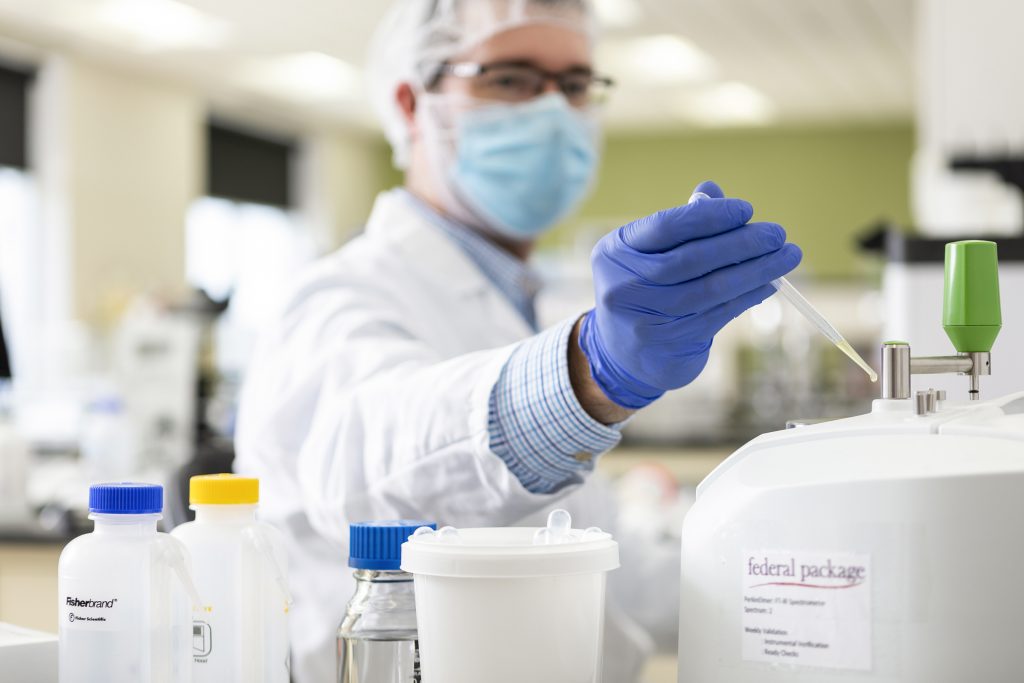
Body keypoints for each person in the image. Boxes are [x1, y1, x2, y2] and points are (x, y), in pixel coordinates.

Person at [234, 1, 802, 681]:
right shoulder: (334, 297)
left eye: (575, 84)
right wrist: (587, 371)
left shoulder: (518, 302)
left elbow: (614, 572)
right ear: (414, 104)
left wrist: (808, 568)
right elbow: (365, 466)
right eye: (511, 78)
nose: (555, 111)